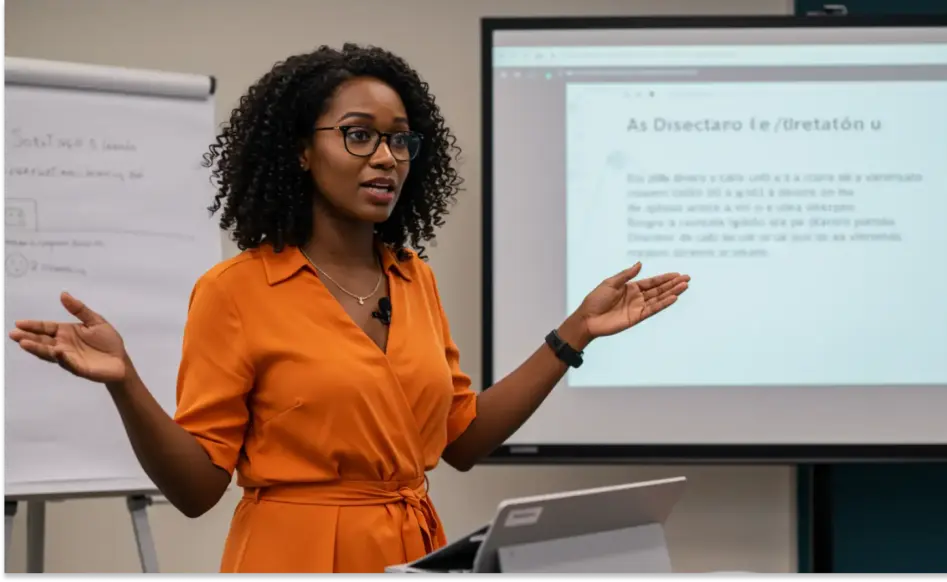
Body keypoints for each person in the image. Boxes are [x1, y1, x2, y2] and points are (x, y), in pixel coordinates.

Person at [8, 44, 690, 574]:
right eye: (359, 135)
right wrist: (126, 383)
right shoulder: (237, 290)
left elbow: (461, 440)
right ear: (302, 150)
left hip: (416, 550)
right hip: (292, 553)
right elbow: (195, 491)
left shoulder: (413, 278)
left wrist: (575, 335)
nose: (387, 158)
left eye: (400, 140)